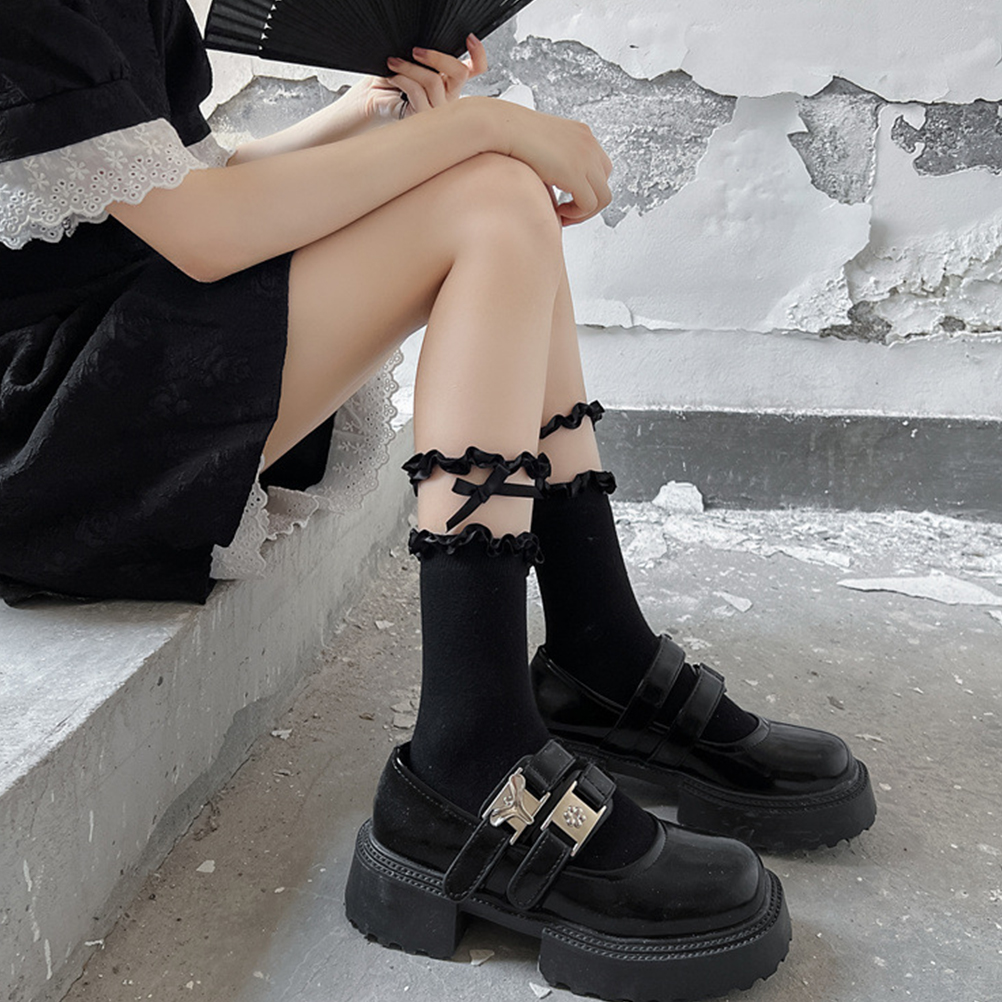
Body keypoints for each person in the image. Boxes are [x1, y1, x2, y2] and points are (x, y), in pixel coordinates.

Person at [0, 2, 875, 999]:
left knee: (497, 188)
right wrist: (483, 125)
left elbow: (177, 180)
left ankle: (599, 653)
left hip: (105, 367)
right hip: (47, 438)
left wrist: (367, 115)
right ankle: (476, 749)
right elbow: (204, 232)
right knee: (488, 194)